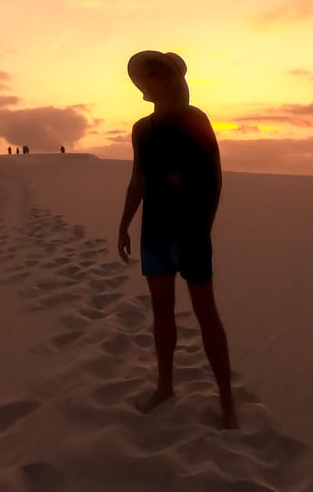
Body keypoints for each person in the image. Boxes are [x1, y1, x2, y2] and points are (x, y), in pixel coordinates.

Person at [117, 50, 237, 429]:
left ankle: (227, 403)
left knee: (206, 313)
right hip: (154, 230)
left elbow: (214, 178)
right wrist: (124, 223)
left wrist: (204, 227)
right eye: (148, 76)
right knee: (161, 310)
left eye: (159, 74)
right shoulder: (141, 129)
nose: (153, 81)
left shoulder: (195, 120)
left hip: (191, 230)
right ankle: (165, 386)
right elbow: (139, 178)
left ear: (173, 79)